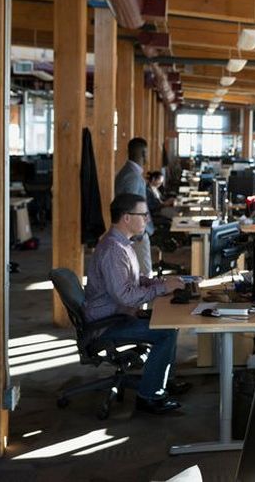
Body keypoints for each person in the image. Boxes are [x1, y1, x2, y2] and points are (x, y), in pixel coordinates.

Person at [84, 193, 186, 414]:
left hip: (118, 315)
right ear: (127, 218)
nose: (147, 219)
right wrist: (161, 289)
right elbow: (125, 296)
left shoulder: (122, 243)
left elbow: (136, 280)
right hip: (107, 324)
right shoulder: (113, 250)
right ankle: (149, 396)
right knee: (166, 333)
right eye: (143, 214)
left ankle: (162, 382)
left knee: (169, 323)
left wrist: (164, 283)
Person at [115, 137, 153, 275]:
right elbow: (130, 208)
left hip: (134, 232)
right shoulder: (133, 176)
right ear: (143, 154)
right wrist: (138, 234)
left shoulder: (127, 172)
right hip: (136, 234)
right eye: (147, 153)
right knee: (145, 275)